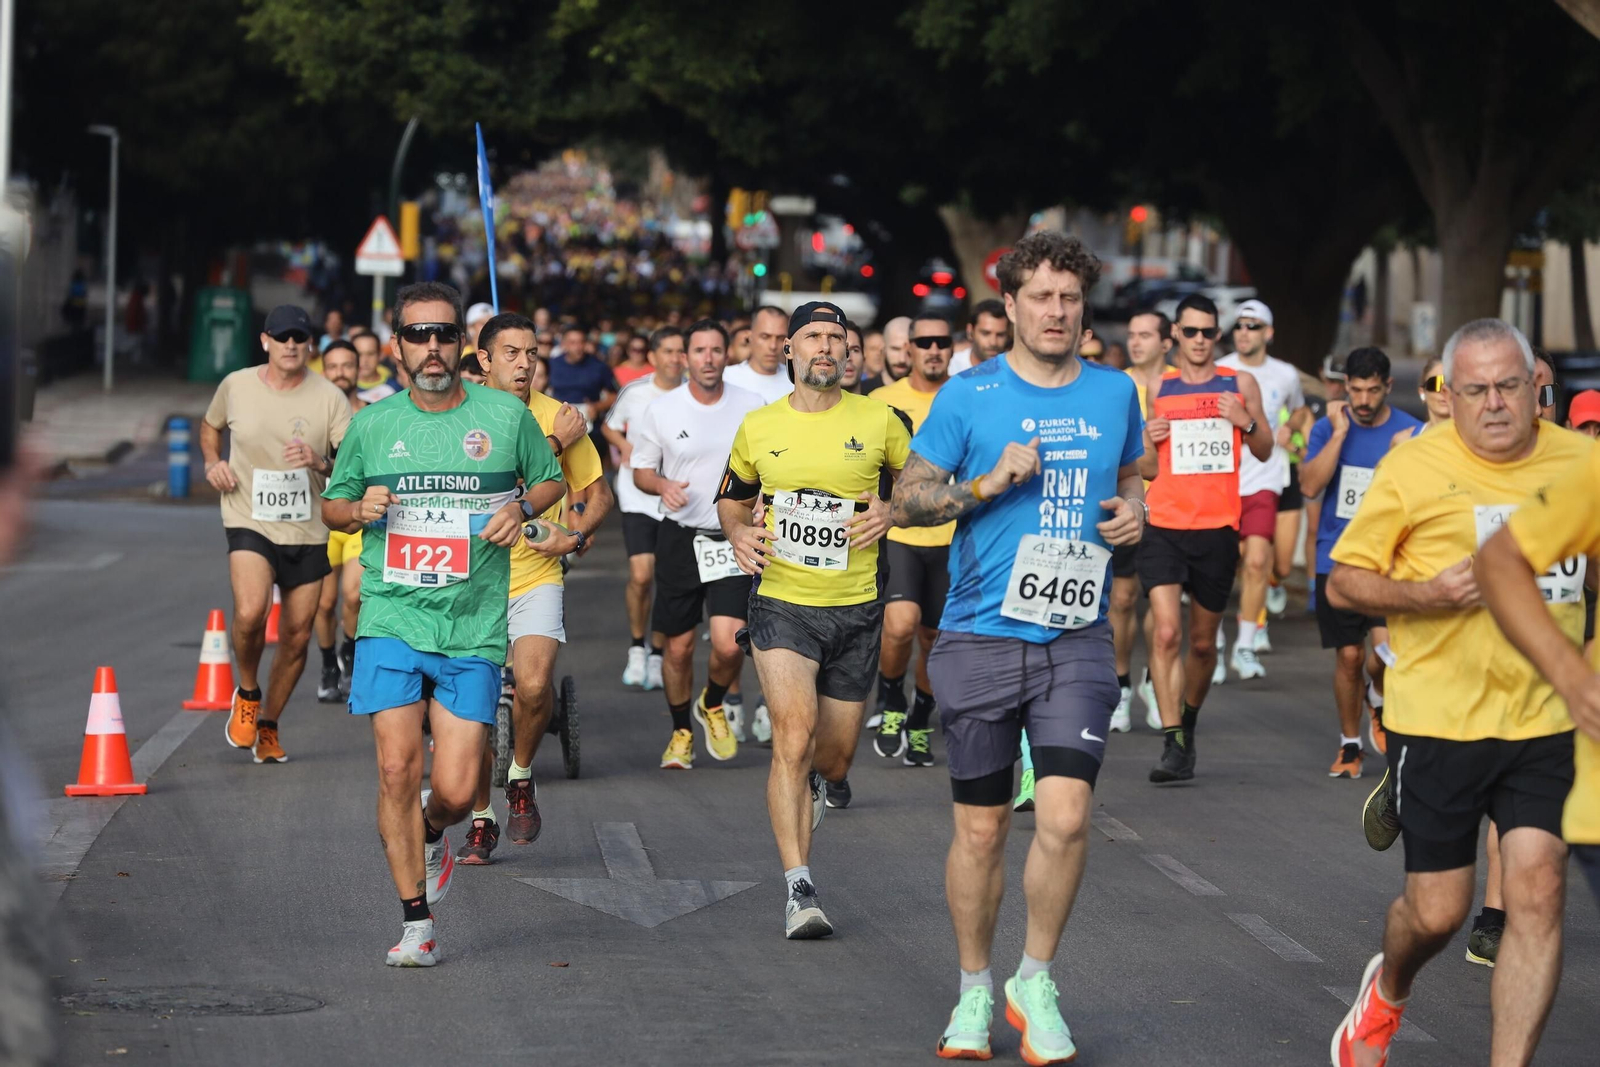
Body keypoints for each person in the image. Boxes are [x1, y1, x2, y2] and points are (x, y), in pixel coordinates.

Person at [891, 232, 1146, 1063]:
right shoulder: (968, 396)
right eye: (1040, 296)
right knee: (982, 829)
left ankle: (1034, 978)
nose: (1056, 311)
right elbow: (908, 500)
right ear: (1008, 307)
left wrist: (1133, 516)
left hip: (1075, 635)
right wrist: (983, 486)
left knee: (1067, 816)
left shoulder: (1116, 393)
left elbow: (1133, 477)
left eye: (1069, 298)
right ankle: (973, 989)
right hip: (977, 636)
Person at [1327, 318, 1586, 1067]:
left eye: (1511, 385)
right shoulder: (1413, 469)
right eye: (1475, 389)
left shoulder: (1580, 461)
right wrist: (1428, 592)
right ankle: (1390, 987)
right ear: (1448, 392)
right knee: (1437, 912)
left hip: (1545, 717)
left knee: (1536, 891)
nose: (1496, 403)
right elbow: (1345, 579)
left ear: (1538, 384)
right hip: (1440, 717)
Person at [321, 282, 566, 967]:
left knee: (457, 791)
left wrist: (519, 504)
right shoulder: (372, 424)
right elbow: (333, 508)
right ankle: (416, 922)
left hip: (472, 626)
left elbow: (549, 481)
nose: (431, 347)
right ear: (397, 346)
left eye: (443, 334)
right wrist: (358, 506)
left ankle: (433, 831)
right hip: (393, 618)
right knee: (397, 767)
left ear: (462, 344)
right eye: (417, 334)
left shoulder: (506, 416)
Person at [719, 300, 906, 939]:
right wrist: (740, 535)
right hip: (782, 604)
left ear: (850, 351)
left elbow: (919, 486)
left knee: (833, 756)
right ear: (790, 351)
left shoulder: (882, 419)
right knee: (792, 737)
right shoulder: (759, 426)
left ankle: (819, 786)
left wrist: (892, 513)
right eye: (812, 337)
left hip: (855, 607)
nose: (825, 347)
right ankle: (800, 887)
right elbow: (732, 498)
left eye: (836, 337)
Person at [458, 312, 609, 864]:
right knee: (470, 711)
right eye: (512, 353)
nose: (525, 364)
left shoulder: (560, 415)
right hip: (470, 579)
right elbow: (499, 478)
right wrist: (551, 441)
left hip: (534, 573)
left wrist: (573, 536)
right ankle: (479, 817)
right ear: (484, 360)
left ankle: (520, 775)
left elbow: (598, 495)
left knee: (535, 683)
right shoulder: (459, 415)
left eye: (532, 352)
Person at [201, 304, 352, 764]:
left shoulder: (330, 398)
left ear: (310, 345)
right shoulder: (237, 385)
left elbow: (348, 468)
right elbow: (210, 429)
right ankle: (247, 691)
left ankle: (268, 723)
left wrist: (319, 461)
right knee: (250, 612)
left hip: (307, 528)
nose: (290, 345)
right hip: (248, 517)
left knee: (296, 634)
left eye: (299, 338)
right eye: (282, 337)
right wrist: (213, 462)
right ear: (265, 341)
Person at [1137, 293, 1273, 783]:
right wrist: (1148, 441)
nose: (1198, 340)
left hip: (1217, 528)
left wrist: (1246, 421)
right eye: (1189, 331)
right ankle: (1172, 739)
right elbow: (1147, 467)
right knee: (1167, 631)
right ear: (1175, 334)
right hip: (1166, 524)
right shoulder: (1159, 386)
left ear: (1217, 335)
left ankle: (1188, 723)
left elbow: (1264, 448)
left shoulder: (1239, 384)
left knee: (1201, 644)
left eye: (1207, 332)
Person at [1479, 408, 1600, 911]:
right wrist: (1573, 674)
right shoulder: (1588, 472)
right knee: (1435, 907)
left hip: (1552, 699)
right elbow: (1499, 559)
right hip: (1476, 670)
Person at [633, 319, 766, 769]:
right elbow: (641, 471)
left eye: (716, 350)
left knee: (731, 645)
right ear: (685, 357)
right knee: (679, 647)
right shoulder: (663, 410)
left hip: (734, 538)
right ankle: (681, 732)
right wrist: (662, 485)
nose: (708, 359)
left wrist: (765, 499)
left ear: (727, 354)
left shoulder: (753, 405)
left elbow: (772, 465)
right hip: (681, 537)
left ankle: (711, 702)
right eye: (699, 351)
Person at [1299, 347, 1419, 782]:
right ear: (1344, 387)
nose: (1364, 400)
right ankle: (1350, 744)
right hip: (1339, 557)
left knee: (1387, 654)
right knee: (1349, 655)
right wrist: (1335, 436)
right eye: (1356, 390)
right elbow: (1310, 486)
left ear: (1387, 387)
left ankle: (1377, 692)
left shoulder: (1411, 431)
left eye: (1372, 391)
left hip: (1390, 562)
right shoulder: (1330, 428)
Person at [869, 314, 954, 769]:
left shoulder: (967, 395)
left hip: (955, 534)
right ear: (910, 349)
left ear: (952, 347)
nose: (934, 349)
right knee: (900, 625)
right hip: (900, 531)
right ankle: (890, 700)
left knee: (935, 636)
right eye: (925, 342)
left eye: (942, 341)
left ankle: (920, 718)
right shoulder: (882, 400)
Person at [1217, 299, 1309, 681]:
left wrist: (1292, 429)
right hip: (1222, 479)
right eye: (1240, 325)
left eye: (1253, 326)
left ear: (1268, 333)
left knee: (1259, 562)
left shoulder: (1285, 374)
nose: (1244, 332)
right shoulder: (1220, 369)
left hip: (1265, 477)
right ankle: (1217, 644)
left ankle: (1245, 645)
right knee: (1223, 568)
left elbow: (1301, 410)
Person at [602, 327, 686, 693]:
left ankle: (656, 651)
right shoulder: (636, 393)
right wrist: (627, 446)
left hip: (678, 496)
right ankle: (637, 646)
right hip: (637, 493)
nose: (674, 358)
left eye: (680, 351)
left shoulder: (693, 394)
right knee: (641, 575)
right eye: (667, 351)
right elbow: (607, 427)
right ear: (652, 357)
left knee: (666, 578)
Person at [1111, 310, 1171, 735]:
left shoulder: (1184, 385)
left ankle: (1155, 678)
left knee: (1163, 605)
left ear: (1166, 342)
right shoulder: (1117, 385)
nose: (1136, 341)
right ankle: (1121, 687)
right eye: (1132, 334)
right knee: (1124, 600)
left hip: (1176, 508)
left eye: (1145, 334)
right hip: (1133, 506)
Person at [313, 340, 366, 702]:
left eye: (347, 366)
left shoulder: (373, 413)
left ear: (359, 369)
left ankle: (349, 650)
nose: (340, 373)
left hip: (358, 518)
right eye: (333, 367)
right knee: (323, 603)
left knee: (353, 594)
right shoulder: (312, 414)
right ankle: (329, 663)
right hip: (318, 519)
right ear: (323, 369)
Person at [1304, 354, 1349, 610]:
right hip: (1317, 472)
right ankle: (1314, 586)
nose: (1336, 387)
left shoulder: (1357, 407)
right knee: (1313, 527)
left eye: (1341, 382)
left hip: (1345, 476)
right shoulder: (1312, 403)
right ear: (1322, 375)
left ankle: (1338, 581)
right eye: (1331, 381)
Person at [549, 324, 618, 433]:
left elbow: (614, 396)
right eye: (573, 343)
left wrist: (597, 407)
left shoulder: (599, 366)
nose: (577, 347)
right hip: (557, 422)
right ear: (564, 344)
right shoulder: (553, 364)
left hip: (590, 424)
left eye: (581, 342)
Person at [724, 304, 796, 403]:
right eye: (765, 337)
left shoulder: (796, 382)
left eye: (780, 338)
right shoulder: (726, 378)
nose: (773, 346)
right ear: (750, 337)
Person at [948, 299, 1011, 376]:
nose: (993, 342)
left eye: (1000, 335)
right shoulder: (951, 368)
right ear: (970, 331)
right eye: (985, 333)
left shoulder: (1014, 371)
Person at [354, 329, 398, 404]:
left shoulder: (395, 389)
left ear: (380, 355)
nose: (364, 360)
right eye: (359, 354)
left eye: (370, 354)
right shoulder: (344, 389)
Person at [842, 324, 867, 393]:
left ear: (864, 358)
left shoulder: (879, 403)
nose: (848, 358)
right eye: (841, 350)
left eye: (855, 350)